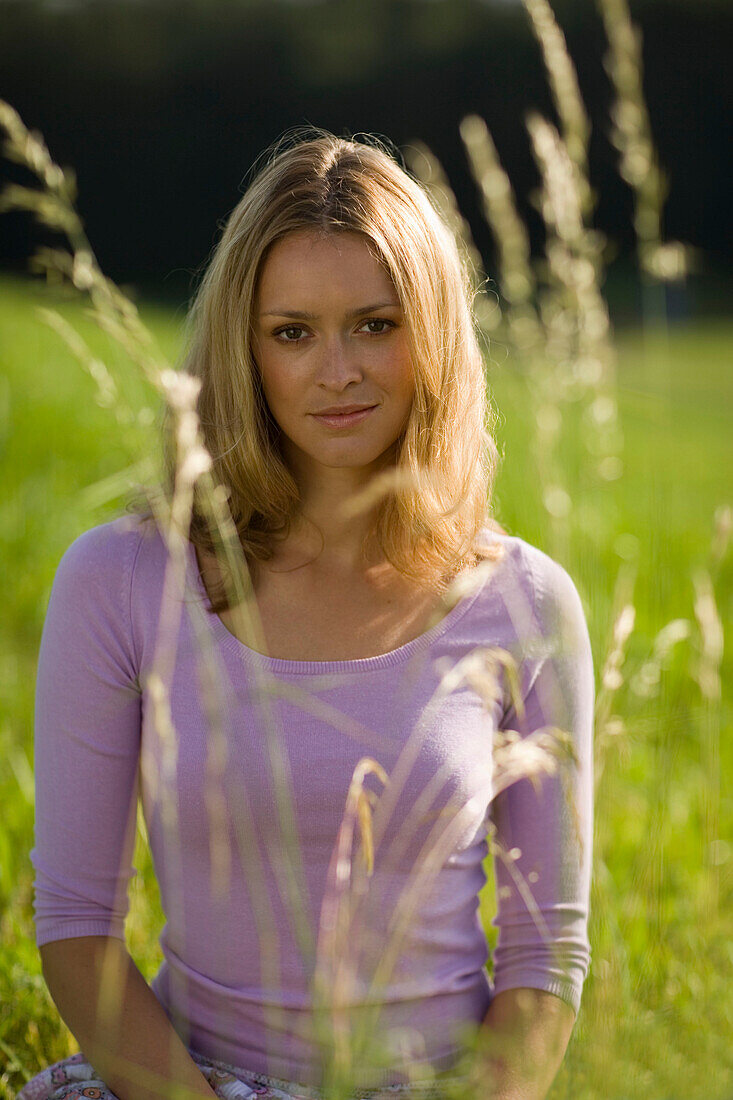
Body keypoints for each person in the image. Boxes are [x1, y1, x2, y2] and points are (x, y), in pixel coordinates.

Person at [20, 129, 595, 1100]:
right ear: (244, 349)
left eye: (375, 324)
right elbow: (77, 924)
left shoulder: (525, 601)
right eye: (293, 332)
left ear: (434, 334)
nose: (338, 371)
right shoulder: (122, 577)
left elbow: (545, 958)